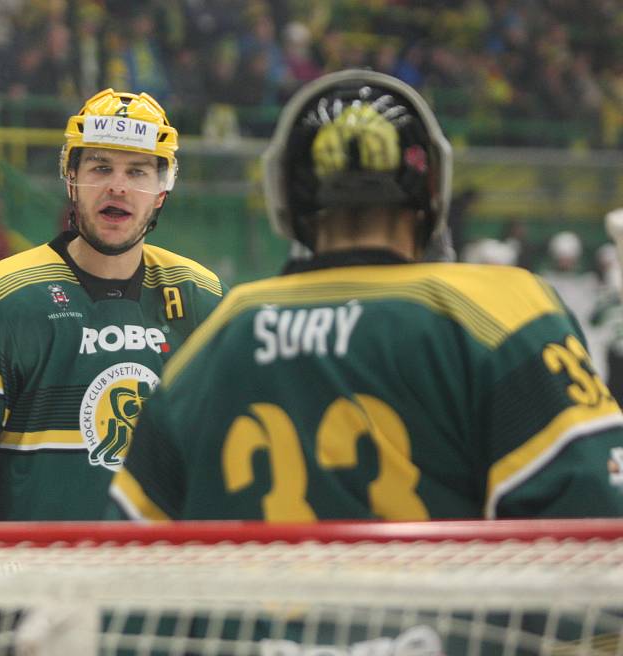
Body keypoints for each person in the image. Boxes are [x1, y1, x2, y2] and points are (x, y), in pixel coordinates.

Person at [109, 69, 623, 522]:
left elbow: (135, 548)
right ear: (432, 192)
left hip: (259, 630)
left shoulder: (223, 334)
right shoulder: (506, 312)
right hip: (446, 632)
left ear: (286, 194)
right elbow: (590, 515)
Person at [0, 88, 227, 525]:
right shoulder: (7, 294)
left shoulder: (199, 295)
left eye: (138, 171)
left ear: (161, 191)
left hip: (154, 586)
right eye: (101, 167)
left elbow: (225, 452)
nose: (118, 185)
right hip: (34, 587)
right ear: (71, 178)